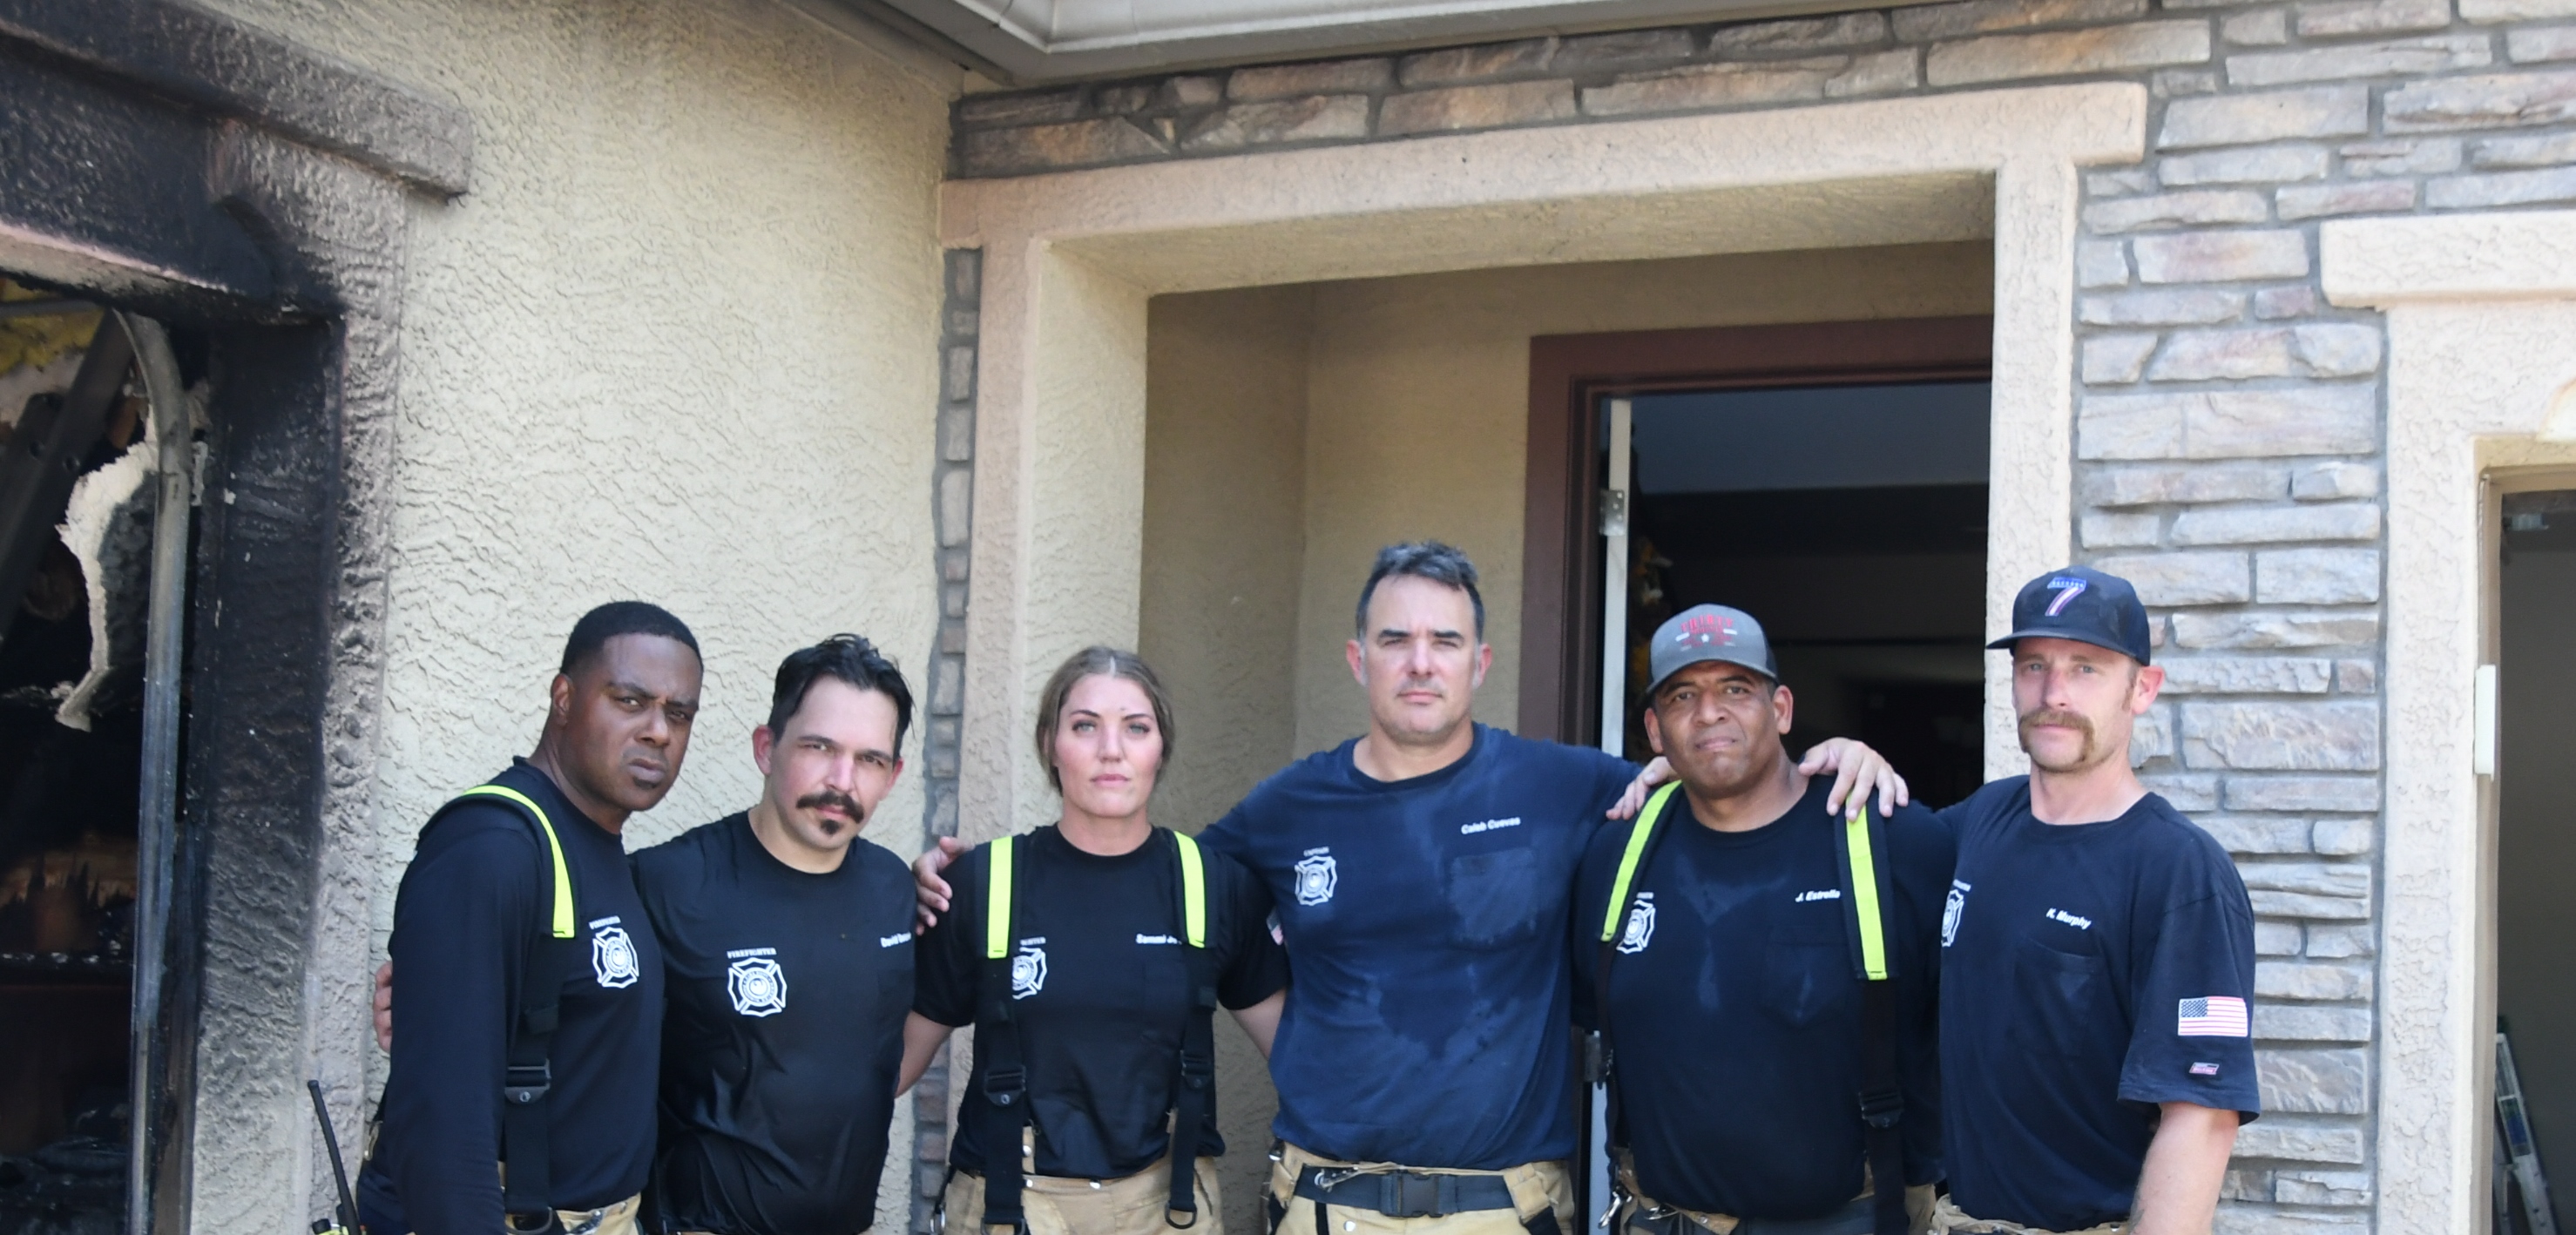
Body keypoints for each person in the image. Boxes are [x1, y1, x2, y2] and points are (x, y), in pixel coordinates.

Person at [919, 543, 1906, 1235]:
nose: (1421, 663)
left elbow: (1722, 782)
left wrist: (1835, 758)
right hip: (1323, 1204)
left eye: (1445, 640)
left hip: (1506, 1207)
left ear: (1480, 662)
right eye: (1395, 639)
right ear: (1359, 659)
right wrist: (956, 885)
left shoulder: (1569, 786)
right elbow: (1141, 879)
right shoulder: (1285, 808)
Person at [1572, 604, 1951, 1235]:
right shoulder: (1617, 853)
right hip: (1663, 1220)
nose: (1708, 712)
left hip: (1850, 1220)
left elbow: (1963, 1034)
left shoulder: (1896, 841)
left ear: (1781, 710)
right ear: (1654, 730)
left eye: (1735, 689)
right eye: (1682, 695)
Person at [903, 645, 1290, 1235]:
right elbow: (890, 1068)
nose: (1112, 749)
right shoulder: (983, 884)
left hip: (1167, 1211)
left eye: (1136, 728)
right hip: (1010, 1207)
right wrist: (874, 899)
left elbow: (1301, 1060)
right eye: (1085, 726)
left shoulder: (1214, 887)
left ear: (1161, 748)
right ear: (1049, 745)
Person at [1928, 566, 2257, 1235]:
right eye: (2033, 666)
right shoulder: (1982, 820)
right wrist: (1850, 761)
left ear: (2142, 689)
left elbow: (2200, 1114)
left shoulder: (2179, 871)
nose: (2053, 693)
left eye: (2085, 669)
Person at [359, 602, 703, 1235]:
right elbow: (440, 1130)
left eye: (678, 713)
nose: (659, 730)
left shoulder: (593, 844)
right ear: (564, 698)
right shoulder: (492, 848)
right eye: (630, 701)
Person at [632, 635, 920, 1235]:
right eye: (820, 747)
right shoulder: (668, 885)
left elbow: (876, 1056)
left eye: (869, 760)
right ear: (767, 748)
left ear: (892, 776)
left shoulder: (893, 888)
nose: (842, 780)